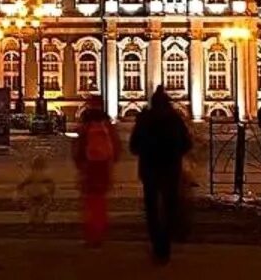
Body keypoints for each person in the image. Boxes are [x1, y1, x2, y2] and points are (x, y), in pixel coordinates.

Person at [129, 86, 192, 265]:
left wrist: (145, 151)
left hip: (149, 170)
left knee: (152, 209)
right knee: (169, 207)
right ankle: (165, 243)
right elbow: (187, 144)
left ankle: (157, 243)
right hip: (171, 170)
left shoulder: (144, 120)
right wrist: (175, 153)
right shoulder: (175, 120)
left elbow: (134, 146)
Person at [70, 96, 120, 246]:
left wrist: (79, 163)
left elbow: (78, 145)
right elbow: (116, 144)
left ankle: (91, 234)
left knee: (89, 200)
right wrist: (112, 160)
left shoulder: (86, 124)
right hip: (103, 164)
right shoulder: (106, 123)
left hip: (89, 165)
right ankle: (99, 231)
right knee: (100, 200)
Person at [16, 155, 56, 227]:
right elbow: (52, 185)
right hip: (42, 193)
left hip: (33, 193)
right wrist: (51, 194)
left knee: (33, 208)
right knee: (44, 207)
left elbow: (21, 185)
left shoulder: (32, 175)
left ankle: (33, 220)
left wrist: (19, 195)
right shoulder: (44, 175)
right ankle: (41, 220)